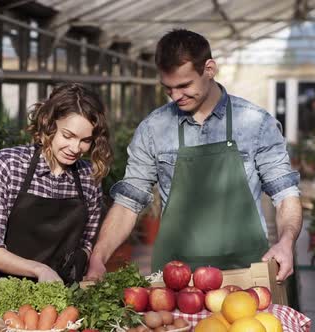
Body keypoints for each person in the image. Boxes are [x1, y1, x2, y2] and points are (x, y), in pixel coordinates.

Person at [86, 29, 302, 282]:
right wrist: (99, 257)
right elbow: (128, 203)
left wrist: (286, 242)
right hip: (175, 279)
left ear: (209, 69)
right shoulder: (154, 129)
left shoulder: (256, 124)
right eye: (168, 89)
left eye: (184, 85)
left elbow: (285, 193)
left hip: (247, 274)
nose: (176, 96)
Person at [0, 83, 112, 285]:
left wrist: (85, 263)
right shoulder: (8, 165)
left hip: (60, 297)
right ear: (48, 122)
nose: (75, 148)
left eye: (85, 140)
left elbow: (86, 242)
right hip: (1, 293)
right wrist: (39, 270)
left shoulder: (88, 176)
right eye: (68, 135)